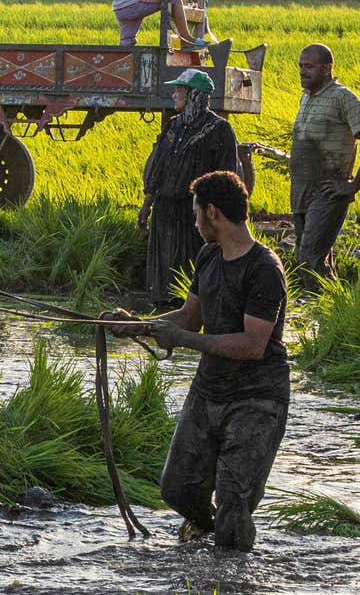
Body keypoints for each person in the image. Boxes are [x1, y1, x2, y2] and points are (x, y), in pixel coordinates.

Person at [109, 170, 290, 552]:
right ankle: (208, 543)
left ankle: (231, 565)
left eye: (196, 215)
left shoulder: (264, 269)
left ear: (213, 213)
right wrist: (137, 326)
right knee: (177, 488)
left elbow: (254, 344)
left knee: (233, 502)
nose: (194, 224)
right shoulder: (209, 255)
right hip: (210, 389)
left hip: (257, 399)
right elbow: (190, 317)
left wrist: (185, 341)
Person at [138, 69, 241, 303]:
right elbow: (158, 167)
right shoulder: (173, 126)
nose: (174, 94)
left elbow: (227, 177)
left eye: (179, 90)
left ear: (194, 95)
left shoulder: (219, 129)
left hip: (195, 211)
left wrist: (214, 214)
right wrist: (147, 203)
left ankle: (191, 315)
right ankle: (163, 315)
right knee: (163, 268)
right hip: (164, 208)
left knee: (191, 265)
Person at [290, 44, 360, 291]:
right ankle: (330, 314)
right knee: (309, 259)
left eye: (308, 66)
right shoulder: (306, 97)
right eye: (300, 66)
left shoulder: (342, 97)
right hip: (301, 193)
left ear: (327, 68)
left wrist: (353, 185)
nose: (302, 71)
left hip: (328, 193)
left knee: (309, 259)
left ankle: (320, 316)